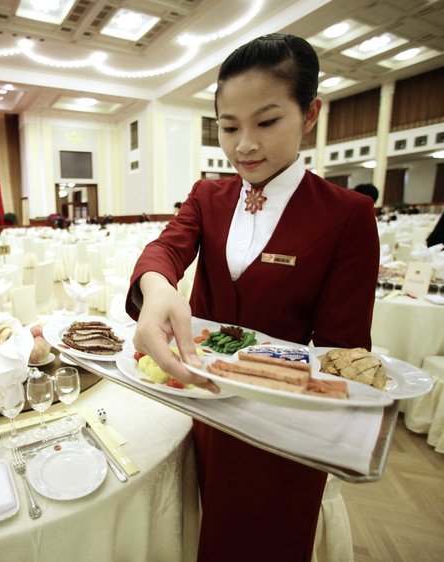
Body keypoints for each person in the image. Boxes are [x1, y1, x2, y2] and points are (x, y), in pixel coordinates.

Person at [126, 34, 379, 561]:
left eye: (266, 122)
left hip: (283, 424)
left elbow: (343, 349)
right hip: (204, 406)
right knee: (205, 530)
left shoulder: (346, 215)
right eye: (228, 126)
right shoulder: (208, 196)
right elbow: (165, 249)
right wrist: (156, 287)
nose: (243, 145)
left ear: (310, 113)